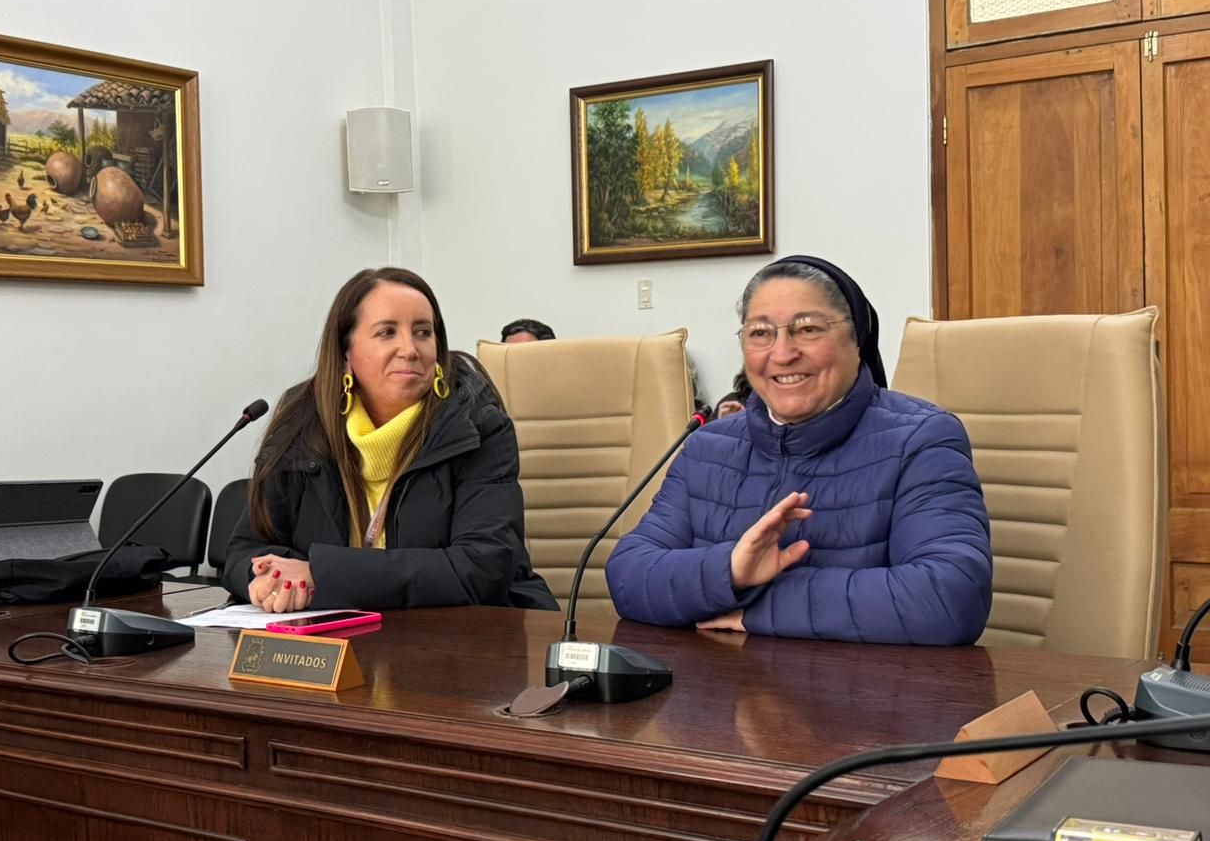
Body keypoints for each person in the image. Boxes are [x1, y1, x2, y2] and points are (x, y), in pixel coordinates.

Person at [605, 255, 992, 645]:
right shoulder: (708, 446)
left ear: (857, 339)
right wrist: (731, 569)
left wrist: (760, 606)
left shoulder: (921, 439)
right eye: (760, 333)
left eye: (807, 329)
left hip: (863, 682)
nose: (782, 353)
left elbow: (950, 597)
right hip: (718, 679)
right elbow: (628, 575)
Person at [224, 267, 556, 613]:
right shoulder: (302, 424)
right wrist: (268, 578)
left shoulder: (476, 426)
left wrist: (321, 574)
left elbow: (483, 567)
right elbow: (246, 548)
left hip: (471, 631)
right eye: (387, 332)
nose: (410, 349)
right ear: (345, 353)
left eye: (423, 332)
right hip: (337, 633)